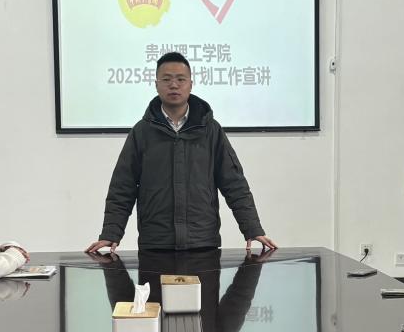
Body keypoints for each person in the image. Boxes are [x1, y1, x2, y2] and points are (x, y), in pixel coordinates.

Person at [85, 52, 278, 254]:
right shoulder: (141, 132)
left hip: (202, 241)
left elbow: (234, 183)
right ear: (156, 84)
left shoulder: (211, 131)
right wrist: (111, 233)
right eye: (166, 79)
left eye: (180, 79)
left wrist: (252, 228)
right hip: (156, 242)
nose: (174, 85)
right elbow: (122, 187)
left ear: (191, 84)